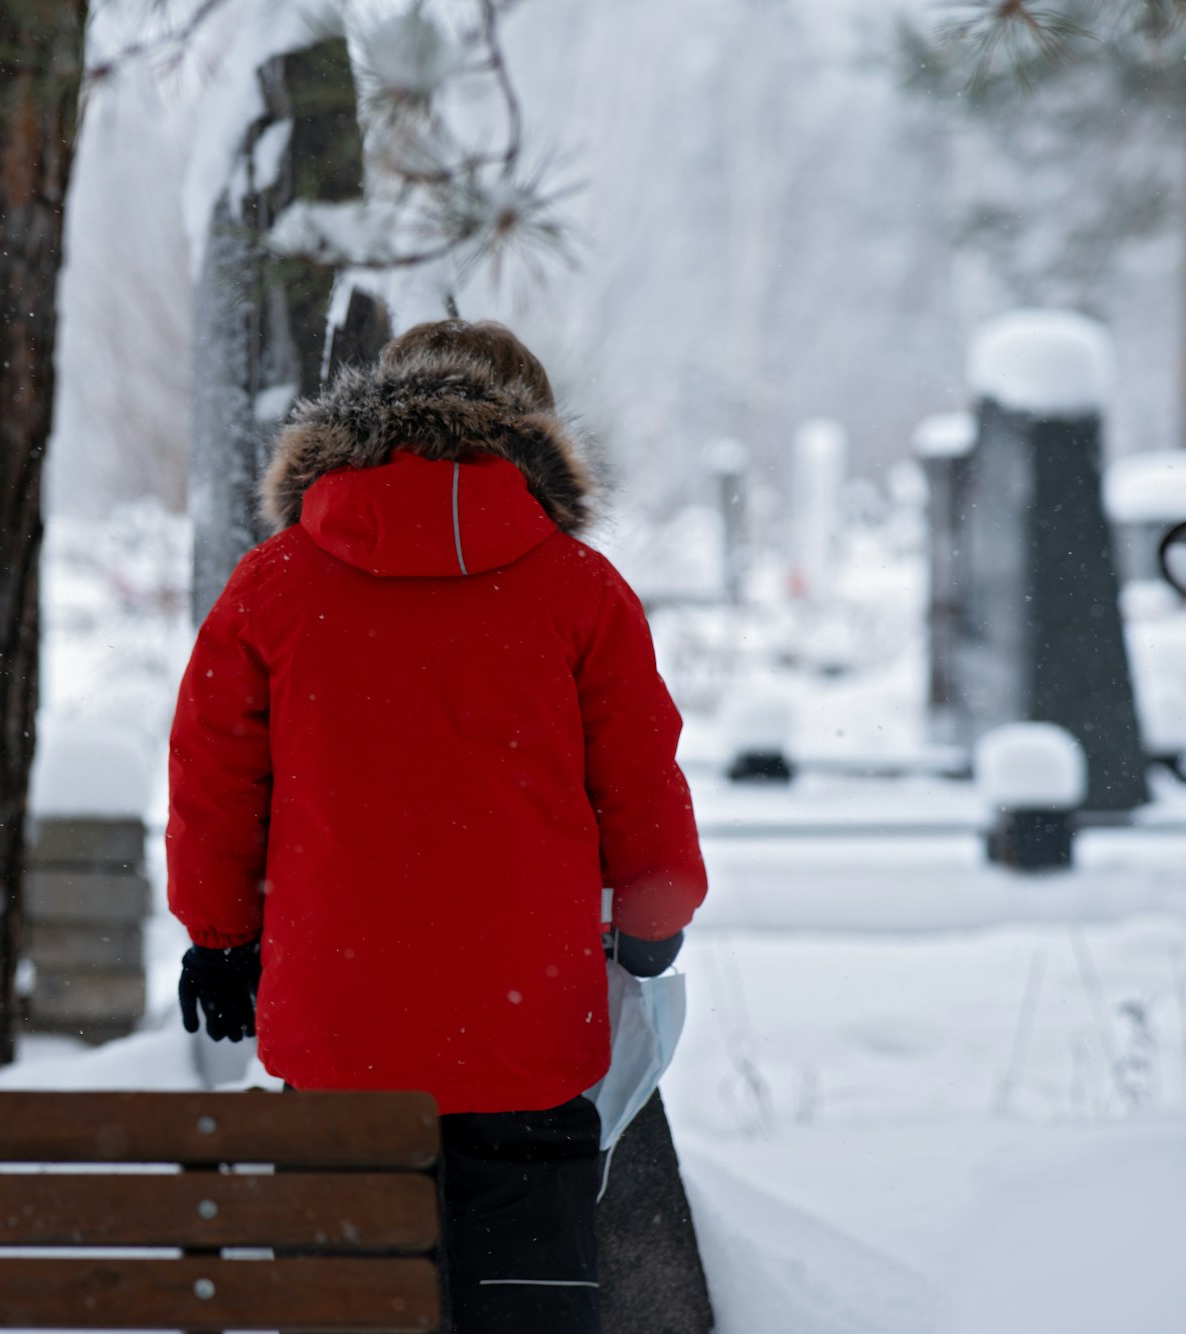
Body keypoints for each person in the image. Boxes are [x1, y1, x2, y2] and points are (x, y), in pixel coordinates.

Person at [165, 319, 707, 1334]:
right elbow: (640, 774)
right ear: (534, 434)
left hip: (337, 1035)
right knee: (524, 1303)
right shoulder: (578, 592)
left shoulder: (273, 584)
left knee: (345, 1304)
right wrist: (651, 917)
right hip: (527, 1036)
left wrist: (219, 935)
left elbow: (211, 778)